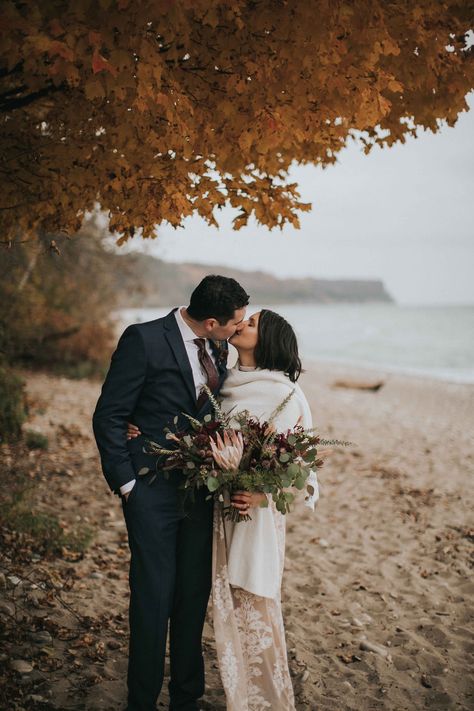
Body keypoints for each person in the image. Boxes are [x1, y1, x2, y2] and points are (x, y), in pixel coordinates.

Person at [128, 309, 321, 711]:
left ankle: (261, 699)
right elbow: (190, 421)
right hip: (212, 510)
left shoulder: (282, 391)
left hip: (253, 515)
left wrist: (260, 495)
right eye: (243, 319)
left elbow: (299, 467)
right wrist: (139, 426)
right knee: (215, 604)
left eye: (250, 324)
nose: (241, 326)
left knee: (254, 603)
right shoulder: (222, 379)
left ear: (267, 340)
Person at [92, 275, 249, 711]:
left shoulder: (219, 347)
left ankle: (187, 697)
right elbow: (109, 415)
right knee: (152, 596)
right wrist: (127, 484)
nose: (238, 330)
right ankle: (141, 701)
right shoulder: (143, 340)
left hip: (201, 493)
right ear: (212, 321)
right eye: (234, 324)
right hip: (150, 492)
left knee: (191, 596)